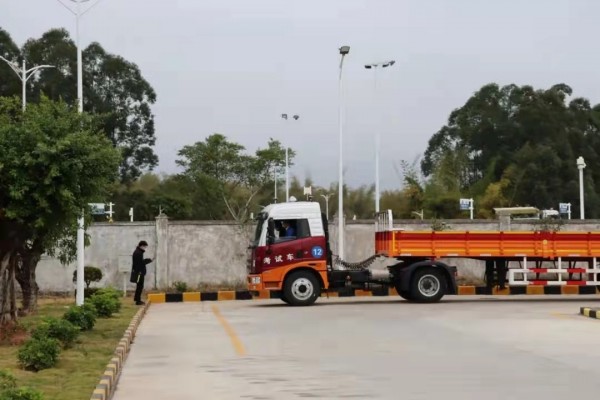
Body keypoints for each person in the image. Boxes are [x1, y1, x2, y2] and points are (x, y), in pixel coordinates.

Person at [131, 240, 153, 305]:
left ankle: (137, 299)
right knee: (140, 286)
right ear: (142, 246)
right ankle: (138, 301)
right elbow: (140, 263)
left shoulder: (138, 252)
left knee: (139, 286)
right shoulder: (138, 253)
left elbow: (140, 262)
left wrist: (148, 260)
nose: (145, 248)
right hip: (139, 273)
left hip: (139, 272)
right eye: (145, 247)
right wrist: (149, 260)